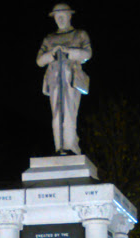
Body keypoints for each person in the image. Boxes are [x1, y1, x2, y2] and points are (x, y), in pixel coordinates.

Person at [37, 3, 92, 155]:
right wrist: (52, 55)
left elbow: (87, 53)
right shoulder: (49, 39)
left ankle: (70, 146)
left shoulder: (80, 34)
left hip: (71, 76)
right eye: (57, 16)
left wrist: (68, 52)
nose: (60, 19)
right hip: (54, 77)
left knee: (69, 111)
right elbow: (39, 61)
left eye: (63, 15)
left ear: (69, 15)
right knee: (56, 114)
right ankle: (59, 147)